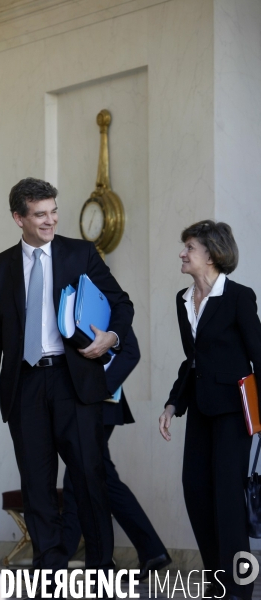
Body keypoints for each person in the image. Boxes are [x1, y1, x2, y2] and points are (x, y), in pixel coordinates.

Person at [0, 177, 133, 594]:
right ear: (18, 218)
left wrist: (111, 338)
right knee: (37, 484)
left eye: (53, 211)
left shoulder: (80, 253)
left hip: (73, 380)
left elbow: (121, 303)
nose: (50, 220)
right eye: (40, 214)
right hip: (24, 385)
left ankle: (100, 568)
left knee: (88, 477)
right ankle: (50, 573)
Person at [159, 220, 260, 600]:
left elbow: (258, 357)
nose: (183, 254)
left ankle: (238, 589)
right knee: (195, 490)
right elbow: (193, 361)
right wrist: (173, 403)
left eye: (189, 247)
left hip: (235, 412)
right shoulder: (183, 300)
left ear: (212, 255)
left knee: (229, 499)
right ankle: (219, 580)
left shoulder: (239, 297)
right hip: (201, 408)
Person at [62, 327, 171, 580]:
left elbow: (131, 352)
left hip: (98, 405)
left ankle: (58, 559)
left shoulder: (104, 296)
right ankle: (151, 550)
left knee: (78, 479)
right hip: (82, 406)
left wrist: (99, 388)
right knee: (100, 477)